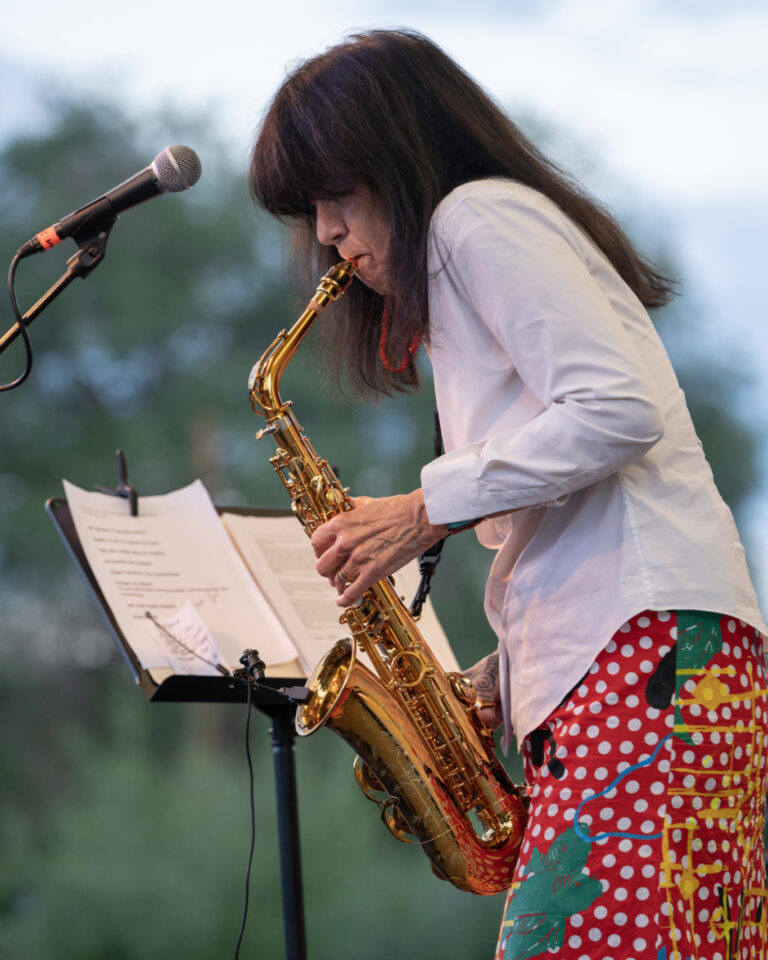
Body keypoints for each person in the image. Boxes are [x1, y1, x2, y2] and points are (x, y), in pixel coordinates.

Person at [250, 29, 768, 960]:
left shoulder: (475, 219)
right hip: (657, 647)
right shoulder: (477, 241)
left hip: (653, 653)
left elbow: (617, 409)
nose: (326, 232)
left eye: (337, 196)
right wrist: (505, 673)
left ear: (398, 159)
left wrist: (419, 508)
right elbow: (583, 500)